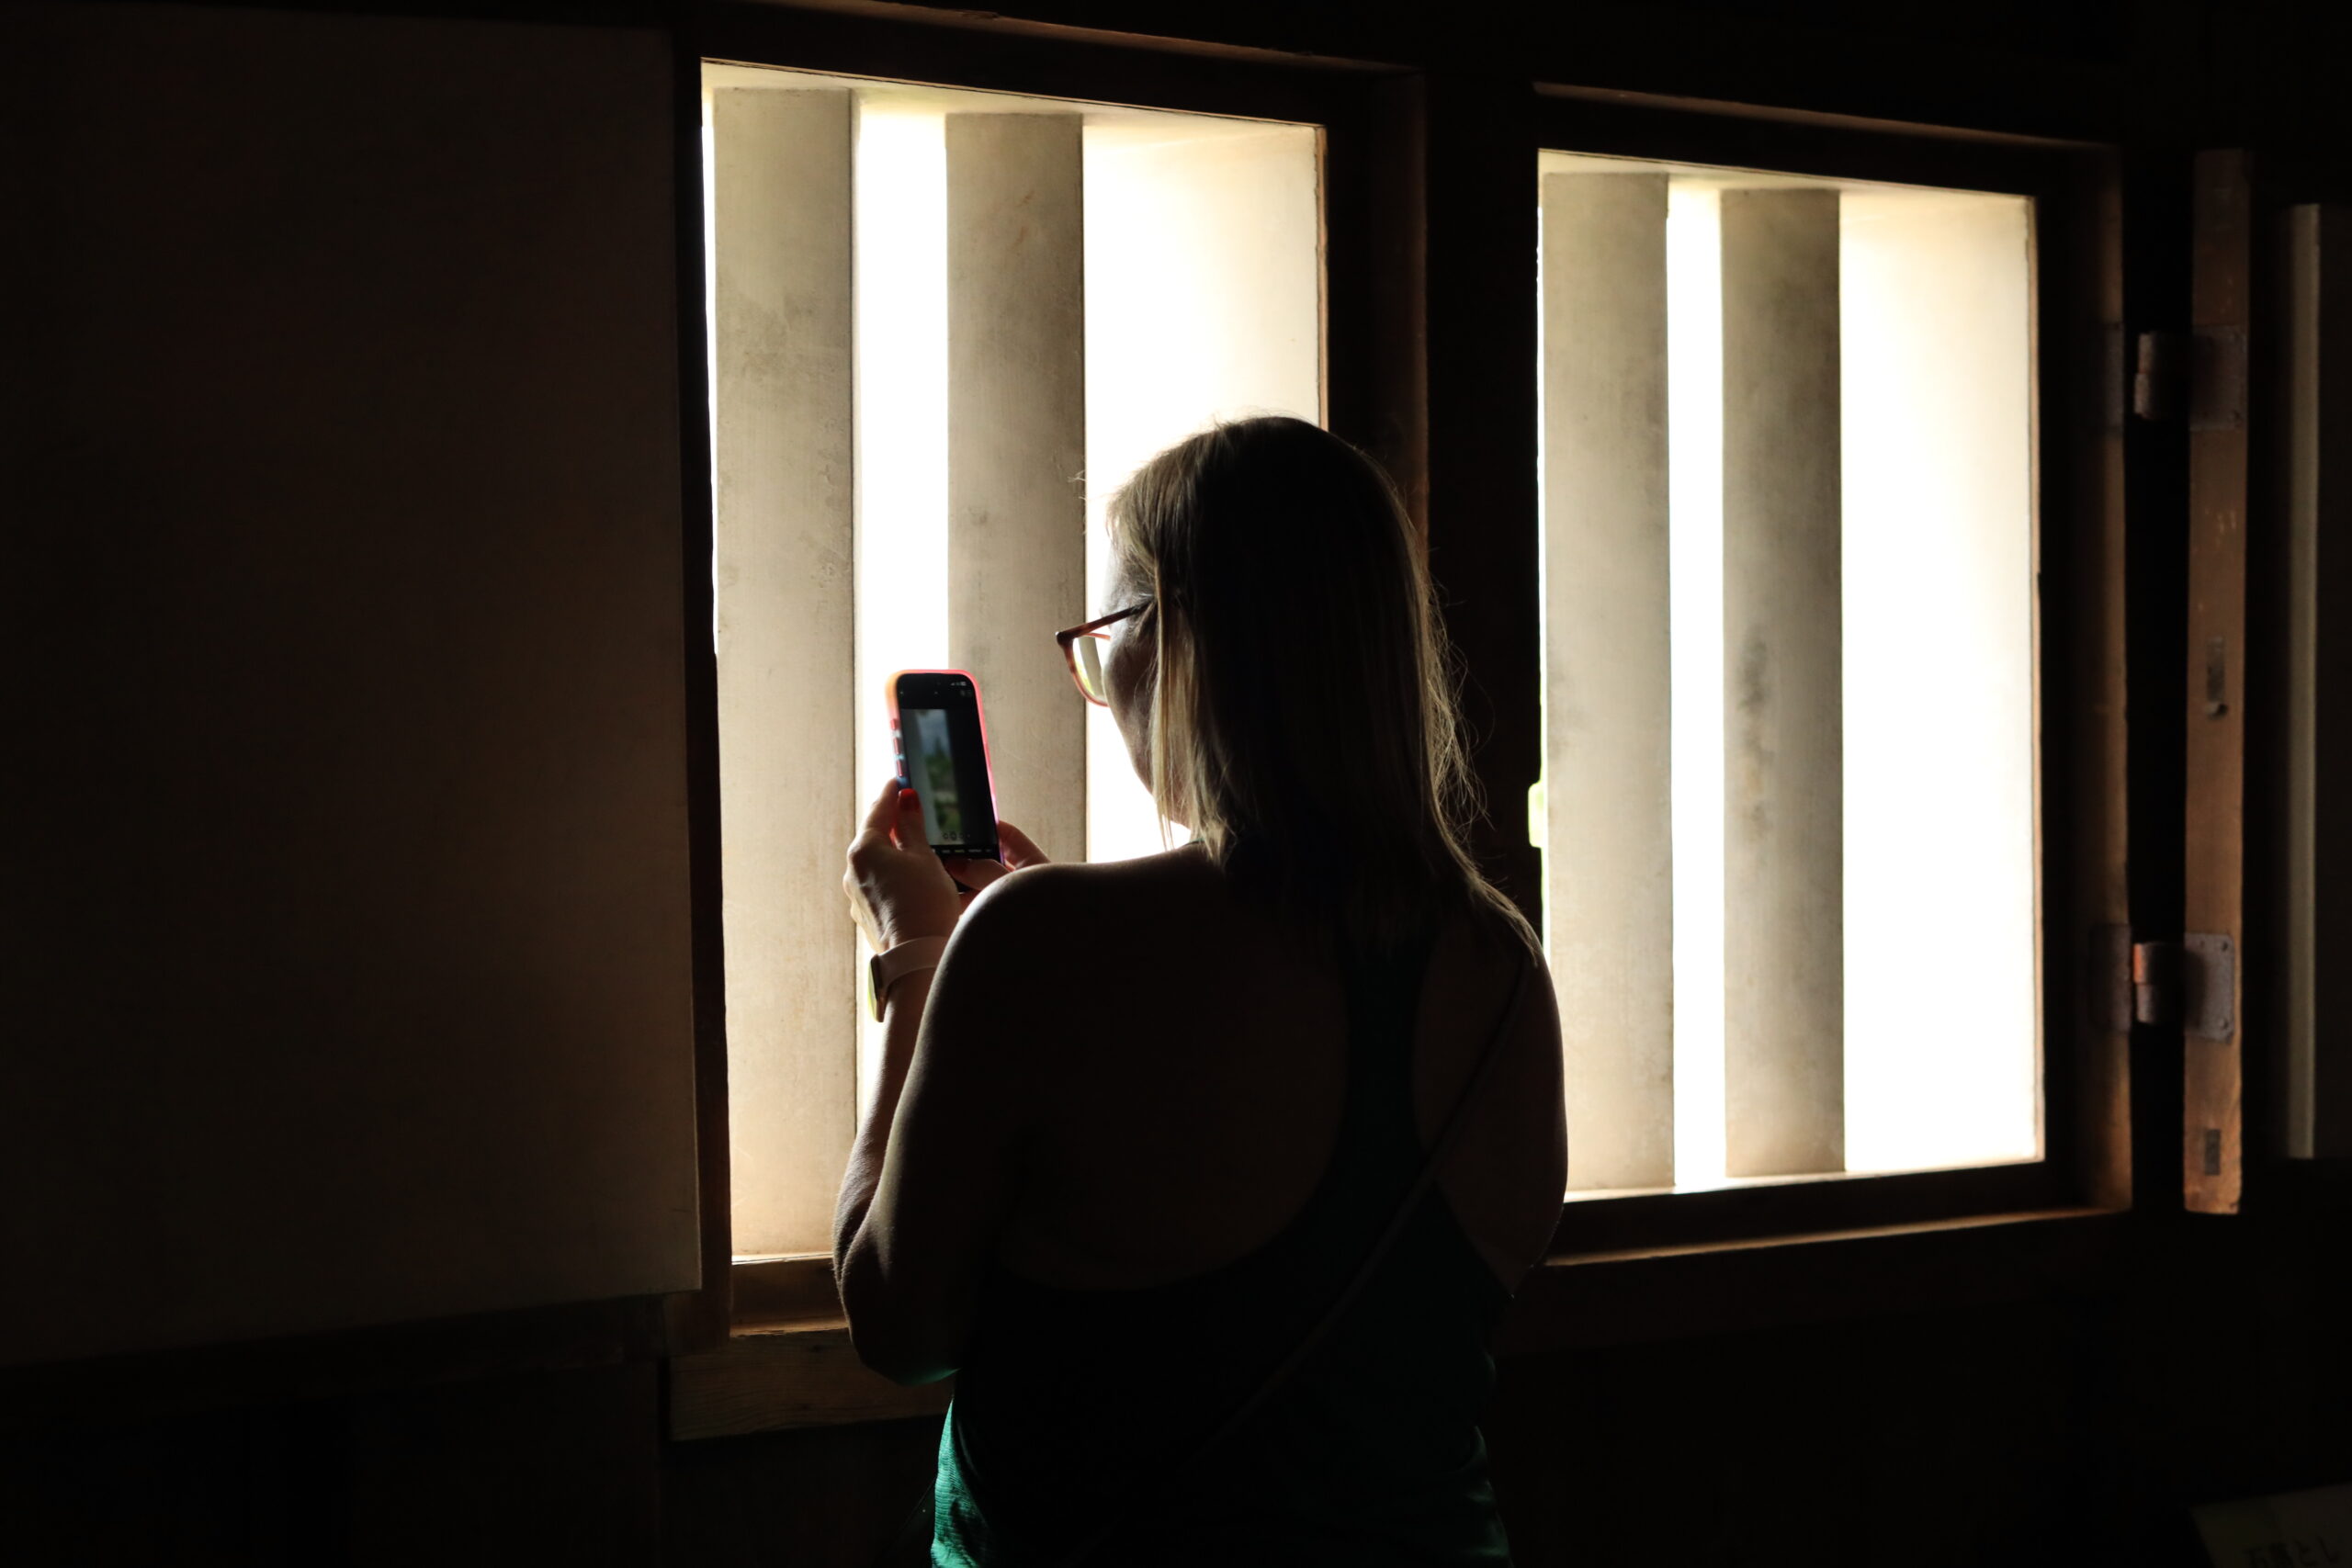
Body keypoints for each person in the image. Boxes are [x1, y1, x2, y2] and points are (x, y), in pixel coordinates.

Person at [835, 416, 1567, 1565]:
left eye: (1099, 637)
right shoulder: (1502, 966)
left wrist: (922, 955)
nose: (1098, 681)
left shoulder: (1037, 943)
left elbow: (897, 1324)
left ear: (1173, 640)